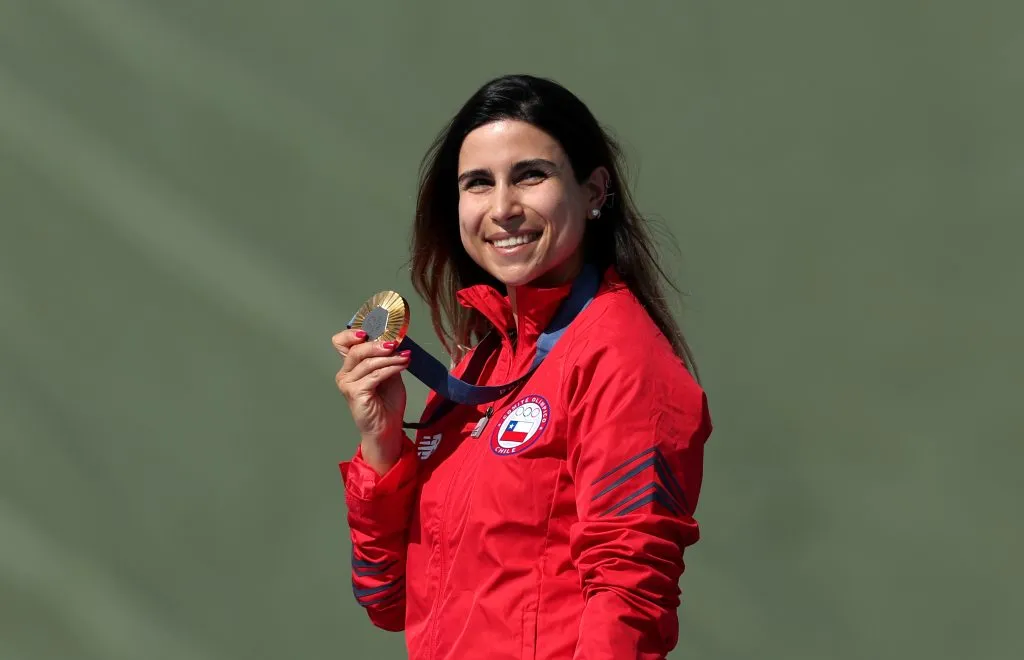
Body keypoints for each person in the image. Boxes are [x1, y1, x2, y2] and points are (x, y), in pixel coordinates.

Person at [331, 74, 712, 660]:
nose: (503, 208)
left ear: (594, 191)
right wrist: (381, 445)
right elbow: (389, 600)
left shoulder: (621, 357)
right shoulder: (484, 363)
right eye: (478, 184)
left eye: (531, 175)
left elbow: (630, 601)